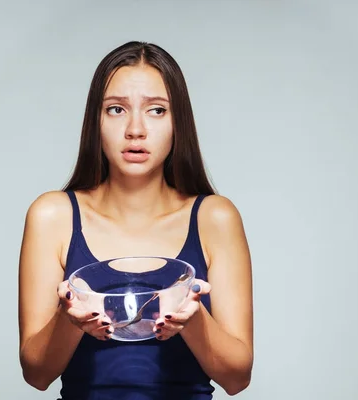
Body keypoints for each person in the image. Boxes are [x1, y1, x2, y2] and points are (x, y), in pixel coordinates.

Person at [18, 41, 254, 399]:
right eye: (116, 109)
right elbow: (36, 374)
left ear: (179, 122)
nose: (135, 129)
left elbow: (238, 379)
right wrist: (71, 322)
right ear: (95, 121)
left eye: (157, 111)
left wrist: (192, 321)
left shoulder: (214, 217)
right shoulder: (53, 215)